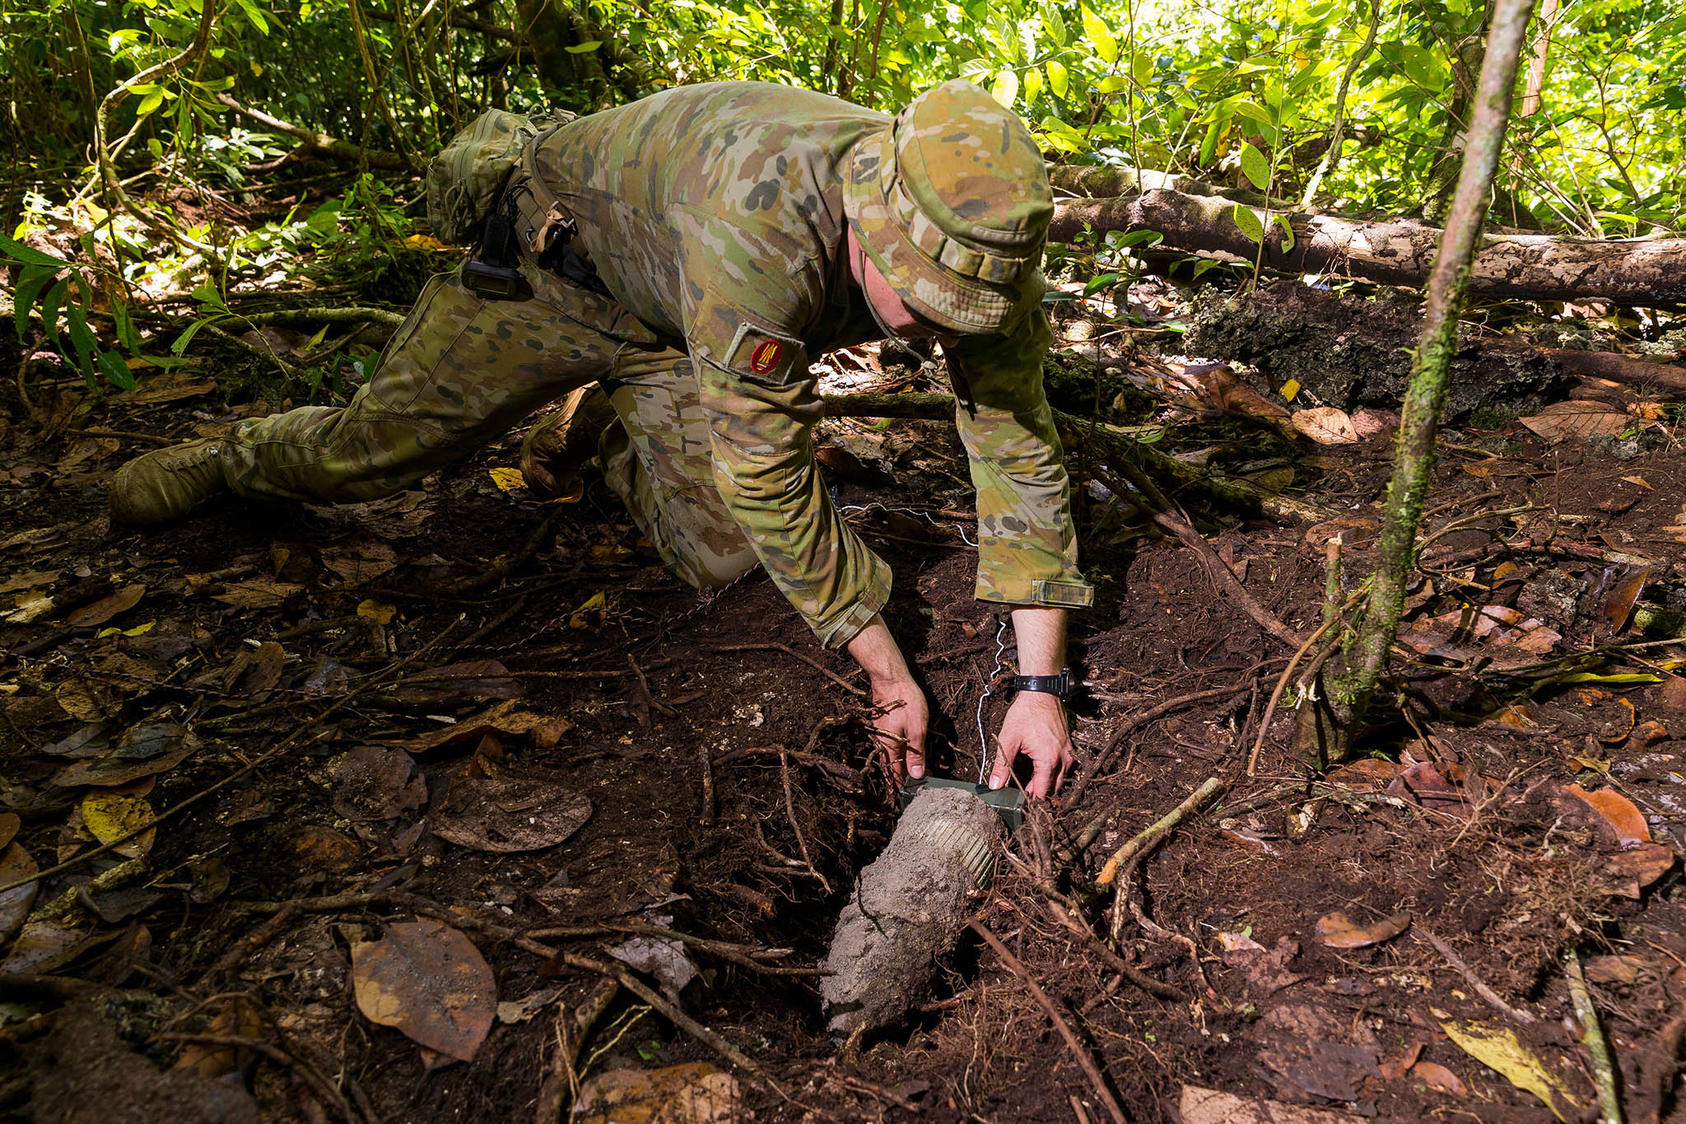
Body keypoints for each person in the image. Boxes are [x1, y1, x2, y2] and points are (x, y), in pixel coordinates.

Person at [109, 79, 1094, 797]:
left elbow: (1018, 448)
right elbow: (768, 468)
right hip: (557, 269)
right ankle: (231, 456)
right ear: (864, 227)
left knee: (720, 550)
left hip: (678, 324)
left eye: (961, 310)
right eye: (921, 305)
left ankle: (612, 430)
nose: (935, 332)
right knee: (373, 450)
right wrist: (887, 667)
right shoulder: (764, 216)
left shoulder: (982, 254)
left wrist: (1041, 685)